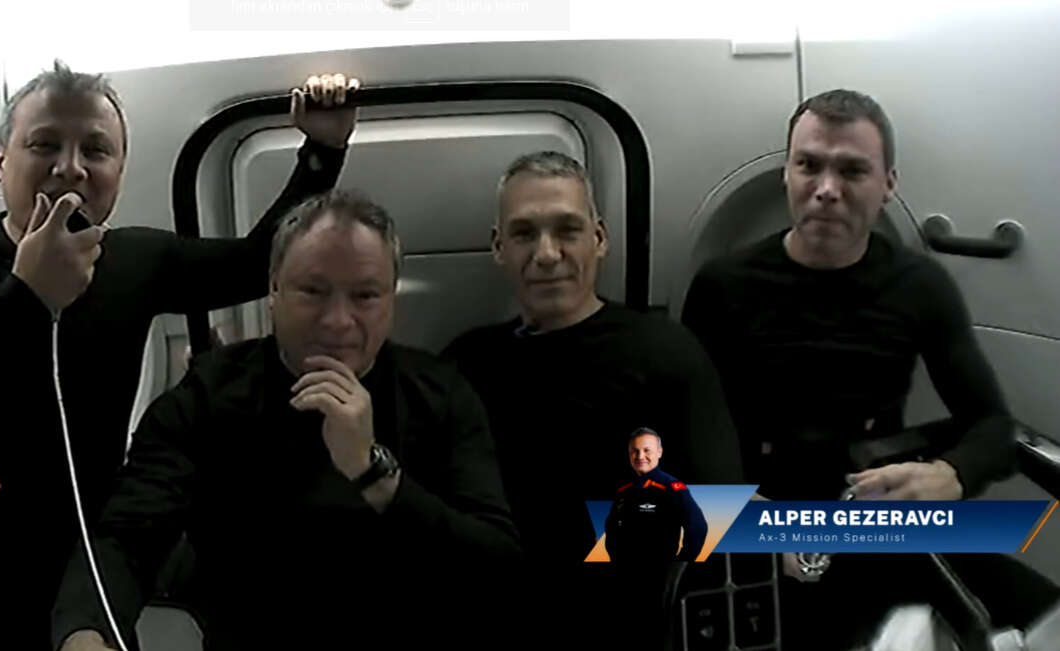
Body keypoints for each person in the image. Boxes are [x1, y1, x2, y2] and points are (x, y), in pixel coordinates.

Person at [0, 63, 358, 649]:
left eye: (96, 150)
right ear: (0, 161)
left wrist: (322, 152)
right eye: (44, 144)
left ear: (119, 171)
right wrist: (26, 297)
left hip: (91, 551)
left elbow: (257, 263)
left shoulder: (135, 260)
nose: (71, 167)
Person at [53, 190, 519, 651]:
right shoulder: (207, 396)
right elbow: (127, 538)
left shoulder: (441, 394)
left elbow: (496, 570)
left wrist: (373, 473)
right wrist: (85, 632)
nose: (338, 321)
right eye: (313, 292)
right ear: (273, 290)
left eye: (365, 296)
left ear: (391, 300)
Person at [680, 89, 1051, 648]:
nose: (827, 189)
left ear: (888, 184)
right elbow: (685, 435)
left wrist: (950, 473)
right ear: (787, 173)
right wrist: (736, 510)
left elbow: (993, 425)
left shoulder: (918, 286)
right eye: (809, 166)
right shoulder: (722, 287)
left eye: (852, 170)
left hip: (879, 517)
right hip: (761, 523)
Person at [441, 151, 741, 650]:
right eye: (524, 234)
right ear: (499, 247)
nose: (547, 254)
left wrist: (851, 531)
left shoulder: (664, 353)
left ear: (599, 238)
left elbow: (724, 513)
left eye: (567, 230)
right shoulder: (467, 364)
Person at [605, 428, 707, 562]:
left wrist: (681, 563)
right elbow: (611, 529)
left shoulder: (671, 488)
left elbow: (697, 526)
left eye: (647, 450)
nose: (640, 456)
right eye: (635, 451)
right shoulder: (624, 491)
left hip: (660, 569)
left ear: (659, 452)